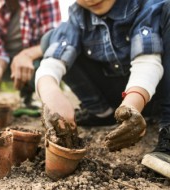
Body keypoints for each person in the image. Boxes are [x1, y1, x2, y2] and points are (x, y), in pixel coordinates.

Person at [36, 0, 170, 154]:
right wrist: (51, 93)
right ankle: (102, 113)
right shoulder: (77, 15)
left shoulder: (145, 6)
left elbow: (147, 62)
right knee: (50, 39)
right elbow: (52, 62)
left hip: (153, 93)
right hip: (116, 98)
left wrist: (132, 104)